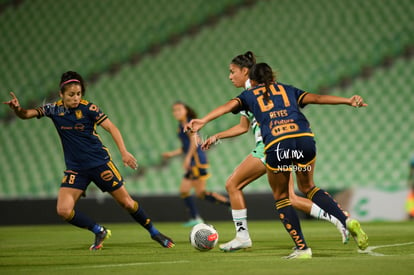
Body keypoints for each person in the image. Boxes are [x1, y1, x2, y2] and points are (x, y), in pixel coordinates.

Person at [185, 63, 369, 259]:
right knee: (308, 188)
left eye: (232, 72)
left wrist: (203, 121)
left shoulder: (248, 95)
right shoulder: (288, 89)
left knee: (282, 197)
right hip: (305, 139)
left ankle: (302, 248)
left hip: (276, 144)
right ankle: (344, 219)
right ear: (272, 77)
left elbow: (226, 107)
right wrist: (348, 100)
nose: (230, 76)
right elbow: (318, 98)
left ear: (251, 79)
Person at [3, 71, 174, 250]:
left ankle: (154, 232)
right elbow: (26, 114)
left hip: (100, 164)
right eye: (71, 94)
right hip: (76, 170)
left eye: (78, 94)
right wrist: (17, 109)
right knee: (63, 211)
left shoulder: (89, 109)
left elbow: (111, 127)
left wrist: (124, 152)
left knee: (127, 203)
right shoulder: (53, 109)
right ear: (61, 94)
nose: (76, 98)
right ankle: (98, 230)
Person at [162, 101, 230, 227]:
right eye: (174, 110)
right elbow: (186, 146)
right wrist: (172, 154)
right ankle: (227, 204)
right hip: (194, 160)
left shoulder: (189, 124)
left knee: (194, 192)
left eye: (179, 109)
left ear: (186, 110)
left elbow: (195, 143)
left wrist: (187, 159)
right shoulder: (181, 125)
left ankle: (200, 215)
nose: (176, 112)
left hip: (197, 161)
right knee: (195, 192)